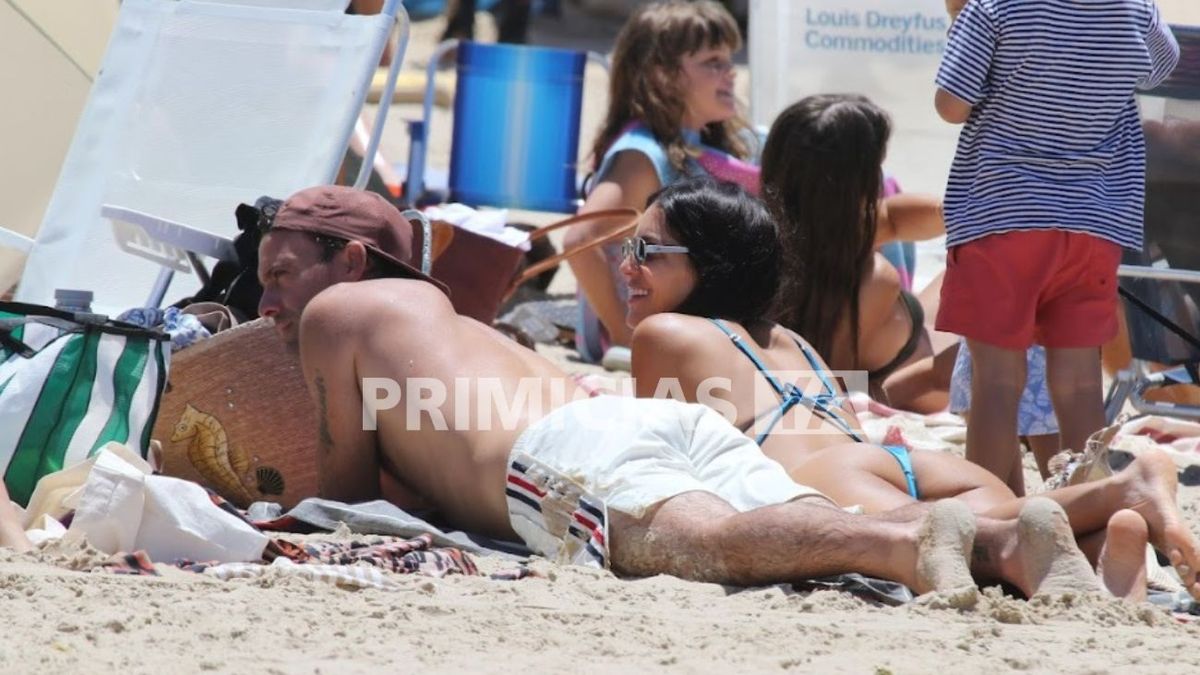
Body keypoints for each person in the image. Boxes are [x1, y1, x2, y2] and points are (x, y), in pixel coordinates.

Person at [255, 184, 1110, 599]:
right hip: (635, 419)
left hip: (564, 453)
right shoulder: (469, 330)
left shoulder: (339, 315)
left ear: (352, 262)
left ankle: (908, 544)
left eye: (280, 276)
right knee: (805, 527)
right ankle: (1009, 541)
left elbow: (349, 503)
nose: (267, 304)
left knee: (719, 545)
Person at [621, 177, 1198, 600]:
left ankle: (1125, 490)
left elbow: (659, 462)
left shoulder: (663, 333)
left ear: (709, 263)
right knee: (1010, 519)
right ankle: (1109, 532)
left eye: (645, 251)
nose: (627, 267)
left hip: (824, 474)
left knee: (947, 541)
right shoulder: (790, 339)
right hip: (897, 459)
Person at [933, 0, 1180, 494]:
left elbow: (951, 106)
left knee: (997, 380)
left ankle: (990, 514)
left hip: (1002, 216)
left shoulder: (993, 8)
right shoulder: (1134, 8)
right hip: (1093, 223)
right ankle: (1086, 513)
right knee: (1081, 383)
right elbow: (1161, 67)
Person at [564, 0, 760, 362]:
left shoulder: (702, 141)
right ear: (663, 76)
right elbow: (580, 240)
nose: (730, 72)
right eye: (713, 62)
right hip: (647, 337)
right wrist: (625, 336)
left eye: (729, 59)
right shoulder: (641, 156)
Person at [760, 94, 950, 412]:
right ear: (856, 185)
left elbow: (892, 217)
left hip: (918, 354)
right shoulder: (872, 279)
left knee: (966, 268)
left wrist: (959, 212)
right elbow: (828, 392)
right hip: (932, 389)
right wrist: (944, 372)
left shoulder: (784, 238)